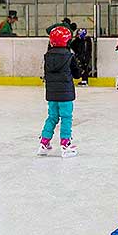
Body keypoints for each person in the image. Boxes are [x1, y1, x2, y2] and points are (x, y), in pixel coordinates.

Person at [37, 26, 81, 158]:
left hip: (51, 93)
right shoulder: (69, 56)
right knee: (66, 118)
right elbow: (77, 74)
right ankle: (65, 144)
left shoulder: (47, 57)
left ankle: (44, 143)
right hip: (66, 94)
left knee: (52, 117)